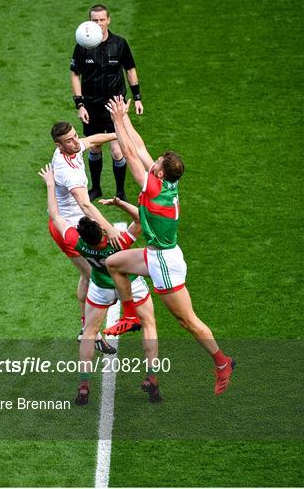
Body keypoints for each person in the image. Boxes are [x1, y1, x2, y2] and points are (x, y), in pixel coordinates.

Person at [103, 96, 236, 395]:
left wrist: (115, 121)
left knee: (187, 321)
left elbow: (129, 153)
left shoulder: (153, 186)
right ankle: (129, 316)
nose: (153, 163)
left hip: (164, 261)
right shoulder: (167, 182)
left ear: (160, 173)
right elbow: (138, 147)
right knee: (114, 264)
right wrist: (124, 118)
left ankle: (221, 362)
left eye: (157, 164)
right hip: (157, 254)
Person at [39, 164, 160, 405]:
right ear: (103, 232)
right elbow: (141, 220)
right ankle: (152, 378)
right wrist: (120, 205)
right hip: (130, 284)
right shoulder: (118, 241)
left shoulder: (78, 243)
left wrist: (51, 184)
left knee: (89, 333)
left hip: (101, 288)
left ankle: (84, 386)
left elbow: (55, 215)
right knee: (149, 324)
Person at [43, 121, 125, 354]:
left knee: (88, 275)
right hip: (66, 229)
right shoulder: (66, 171)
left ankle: (86, 328)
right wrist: (109, 228)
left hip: (78, 222)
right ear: (59, 146)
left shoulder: (73, 146)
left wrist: (116, 134)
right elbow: (85, 204)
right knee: (96, 277)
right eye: (69, 140)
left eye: (75, 135)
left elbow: (92, 140)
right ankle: (90, 331)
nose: (75, 141)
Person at [70, 4, 144, 202]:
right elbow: (75, 74)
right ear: (89, 22)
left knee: (117, 149)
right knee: (94, 147)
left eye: (102, 20)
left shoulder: (119, 44)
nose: (99, 23)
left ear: (108, 20)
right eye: (95, 20)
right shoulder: (83, 46)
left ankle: (120, 192)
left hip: (114, 106)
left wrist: (137, 98)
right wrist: (80, 104)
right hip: (91, 106)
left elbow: (130, 69)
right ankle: (96, 188)